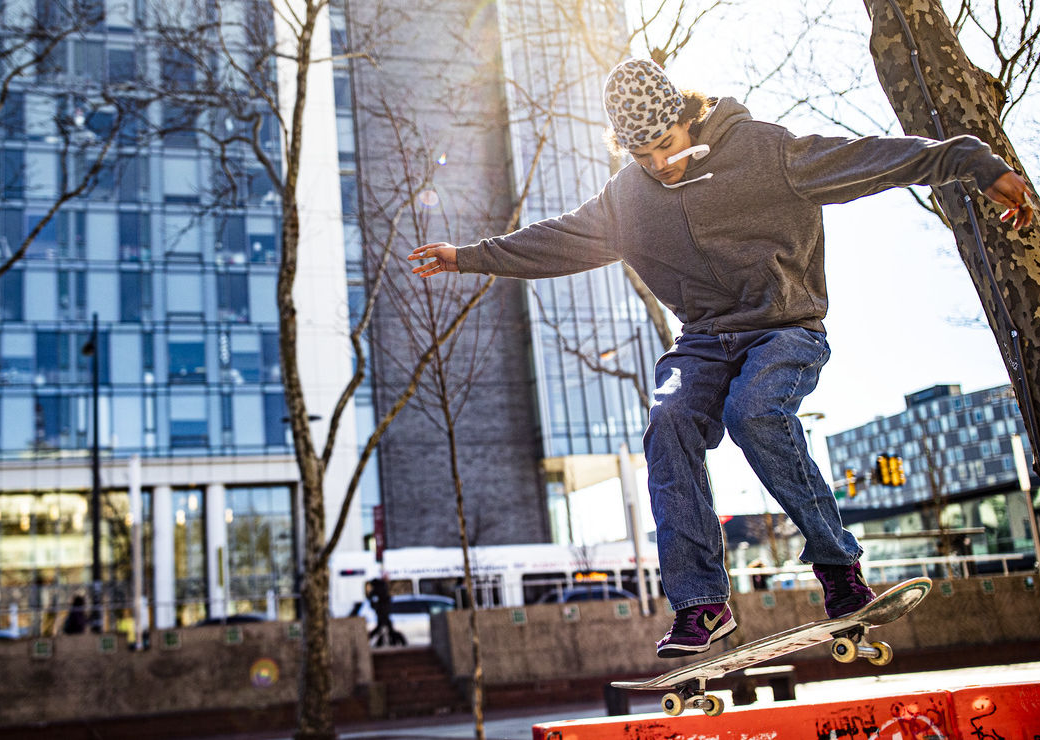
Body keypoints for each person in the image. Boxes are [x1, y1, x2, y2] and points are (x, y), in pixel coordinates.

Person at [408, 58, 1034, 659]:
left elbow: (873, 159)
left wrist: (970, 161)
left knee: (755, 410)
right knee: (669, 421)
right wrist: (468, 256)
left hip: (784, 327)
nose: (662, 164)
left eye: (668, 145)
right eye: (644, 156)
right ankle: (702, 602)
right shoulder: (629, 198)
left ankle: (841, 572)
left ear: (688, 116)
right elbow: (557, 241)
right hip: (704, 343)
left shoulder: (766, 152)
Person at [366, 573, 403, 647]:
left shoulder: (381, 587)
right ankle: (367, 638)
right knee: (384, 627)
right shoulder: (381, 587)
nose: (388, 579)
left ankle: (391, 641)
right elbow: (377, 598)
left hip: (383, 611)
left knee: (383, 627)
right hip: (382, 612)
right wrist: (377, 606)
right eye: (387, 577)